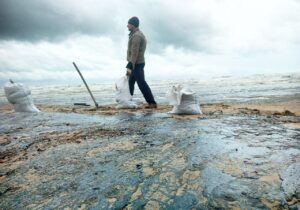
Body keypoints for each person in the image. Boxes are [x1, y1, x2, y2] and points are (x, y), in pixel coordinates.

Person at [126, 16, 157, 109]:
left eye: (129, 24)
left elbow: (135, 52)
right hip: (136, 62)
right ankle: (128, 101)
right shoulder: (134, 34)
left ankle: (152, 102)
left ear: (133, 25)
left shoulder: (137, 36)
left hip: (137, 63)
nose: (127, 25)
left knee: (141, 83)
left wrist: (131, 65)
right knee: (130, 83)